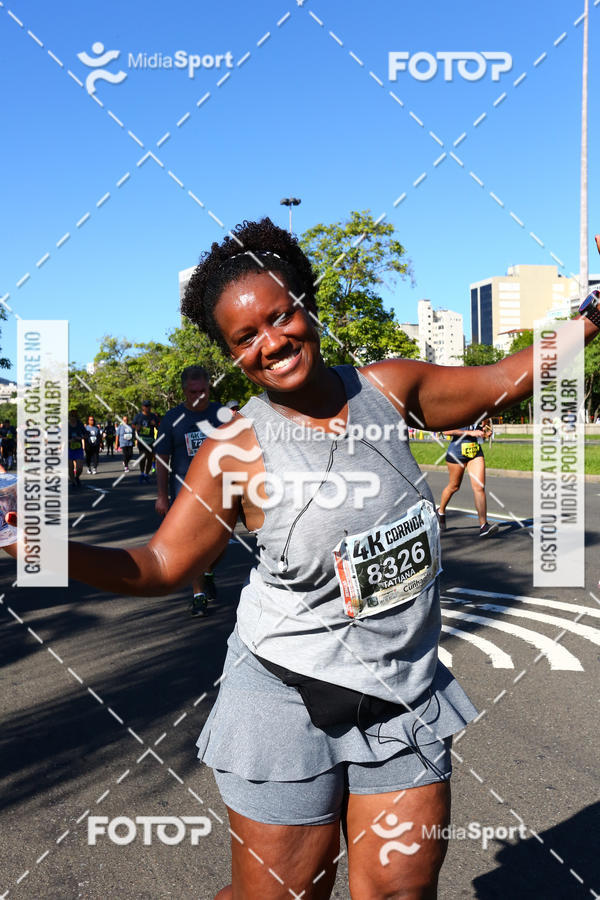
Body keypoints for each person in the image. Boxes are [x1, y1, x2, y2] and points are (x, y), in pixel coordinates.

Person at [4, 219, 599, 900]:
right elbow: (162, 564)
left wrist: (594, 317)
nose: (271, 342)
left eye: (281, 315)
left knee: (402, 889)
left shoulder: (387, 389)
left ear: (307, 304)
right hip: (283, 694)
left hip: (401, 691)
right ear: (231, 354)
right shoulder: (233, 449)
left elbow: (505, 377)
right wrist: (48, 548)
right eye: (245, 338)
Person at [155, 365, 224, 617]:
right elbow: (162, 460)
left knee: (220, 546)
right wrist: (162, 495)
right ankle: (198, 595)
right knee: (194, 546)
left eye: (203, 390)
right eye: (193, 392)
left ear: (209, 387)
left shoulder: (222, 414)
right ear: (184, 391)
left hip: (221, 493)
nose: (199, 396)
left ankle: (208, 571)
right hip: (185, 495)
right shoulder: (172, 419)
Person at [437, 423, 498, 537]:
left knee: (479, 487)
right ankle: (441, 511)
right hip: (456, 453)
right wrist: (470, 433)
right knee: (454, 486)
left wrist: (484, 433)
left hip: (475, 452)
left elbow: (478, 430)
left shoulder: (479, 413)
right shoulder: (457, 410)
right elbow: (446, 431)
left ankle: (483, 526)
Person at [133, 401, 160, 483]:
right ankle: (142, 473)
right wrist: (137, 427)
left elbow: (159, 426)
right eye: (146, 406)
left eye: (149, 406)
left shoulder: (153, 416)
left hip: (151, 440)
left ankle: (146, 474)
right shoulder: (138, 416)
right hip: (142, 439)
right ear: (142, 407)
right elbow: (133, 425)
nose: (147, 408)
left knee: (149, 458)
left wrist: (155, 424)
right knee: (143, 457)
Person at [67, 410, 87, 487]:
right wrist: (69, 440)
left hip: (78, 448)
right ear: (69, 417)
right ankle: (73, 481)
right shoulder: (67, 425)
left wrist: (81, 437)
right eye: (72, 416)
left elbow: (86, 434)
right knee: (71, 467)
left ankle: (77, 477)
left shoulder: (80, 424)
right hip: (69, 449)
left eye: (75, 416)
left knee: (79, 467)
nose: (73, 418)